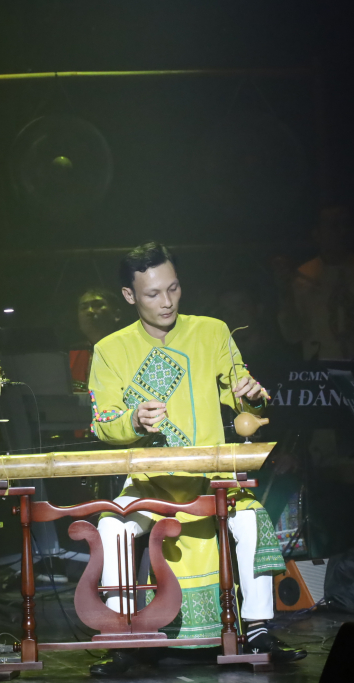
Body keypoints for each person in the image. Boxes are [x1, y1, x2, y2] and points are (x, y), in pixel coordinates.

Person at [86, 242, 305, 676]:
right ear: (129, 296)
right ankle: (123, 637)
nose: (166, 302)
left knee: (251, 520)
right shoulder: (110, 350)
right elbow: (102, 421)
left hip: (211, 479)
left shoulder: (212, 332)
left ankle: (258, 629)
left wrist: (254, 400)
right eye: (152, 294)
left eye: (173, 288)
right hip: (149, 483)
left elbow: (244, 402)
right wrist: (134, 418)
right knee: (111, 526)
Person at [275, 205, 354, 379]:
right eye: (334, 225)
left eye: (346, 224)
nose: (342, 231)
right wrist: (285, 293)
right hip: (323, 383)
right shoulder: (302, 277)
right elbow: (292, 335)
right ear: (317, 234)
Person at [70, 287, 126, 393]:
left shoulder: (131, 350)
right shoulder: (72, 354)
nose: (90, 311)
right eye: (84, 307)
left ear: (117, 315)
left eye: (97, 305)